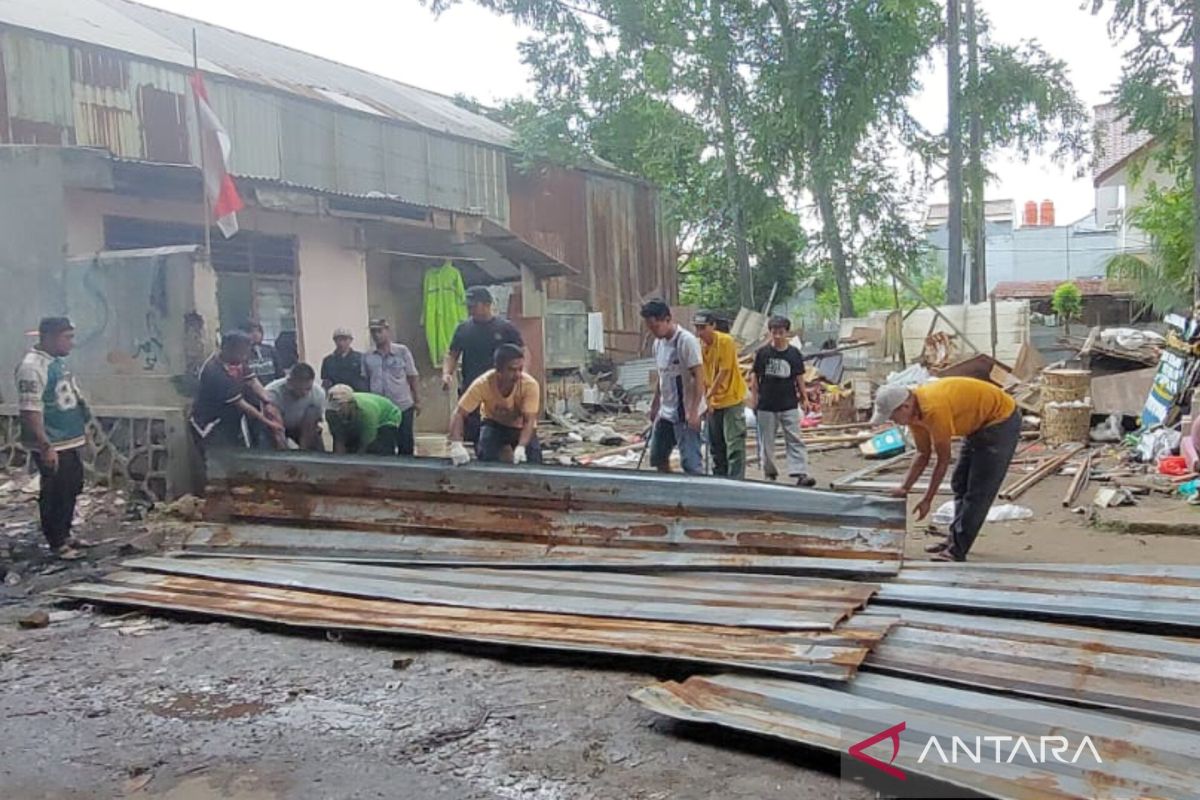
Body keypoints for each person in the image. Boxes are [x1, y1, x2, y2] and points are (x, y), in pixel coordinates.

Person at [871, 377, 1021, 562]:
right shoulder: (914, 416)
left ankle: (957, 550)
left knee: (978, 491)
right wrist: (905, 487)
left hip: (1001, 421)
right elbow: (922, 454)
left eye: (893, 417)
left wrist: (927, 499)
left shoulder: (933, 409)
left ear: (905, 407)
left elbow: (943, 460)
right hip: (978, 423)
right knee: (960, 483)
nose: (893, 421)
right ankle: (954, 539)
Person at [15, 317, 90, 560]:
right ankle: (56, 540)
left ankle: (66, 532)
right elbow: (30, 410)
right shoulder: (32, 367)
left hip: (69, 438)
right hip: (52, 441)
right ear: (49, 337)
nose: (71, 343)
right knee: (55, 490)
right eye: (66, 337)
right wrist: (45, 445)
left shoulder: (57, 362)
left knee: (72, 485)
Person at [441, 286, 524, 444]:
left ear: (487, 304)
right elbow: (452, 354)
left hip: (500, 390)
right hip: (472, 388)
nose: (470, 308)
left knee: (500, 433)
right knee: (473, 432)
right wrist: (447, 373)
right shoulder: (463, 329)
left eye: (474, 304)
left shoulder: (505, 328)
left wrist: (521, 376)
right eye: (468, 305)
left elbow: (523, 352)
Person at [448, 344, 541, 466]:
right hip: (494, 423)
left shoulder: (530, 385)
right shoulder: (482, 384)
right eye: (512, 370)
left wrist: (521, 447)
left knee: (534, 458)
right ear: (498, 370)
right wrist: (456, 444)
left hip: (521, 426)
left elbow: (529, 421)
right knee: (485, 453)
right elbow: (459, 413)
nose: (517, 374)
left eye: (520, 369)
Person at [749, 316, 815, 487]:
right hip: (767, 404)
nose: (777, 336)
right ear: (769, 333)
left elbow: (799, 378)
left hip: (789, 403)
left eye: (780, 332)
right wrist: (754, 399)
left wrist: (804, 399)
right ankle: (770, 473)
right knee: (767, 442)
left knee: (794, 438)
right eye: (774, 332)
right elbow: (755, 378)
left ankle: (800, 472)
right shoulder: (763, 353)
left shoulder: (794, 354)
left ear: (787, 333)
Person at [642, 300, 705, 475]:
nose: (653, 331)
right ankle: (669, 489)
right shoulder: (658, 344)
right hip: (666, 411)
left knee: (691, 463)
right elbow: (662, 377)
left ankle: (695, 494)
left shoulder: (686, 341)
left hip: (685, 411)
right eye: (649, 327)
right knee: (657, 457)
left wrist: (694, 412)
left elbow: (699, 377)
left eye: (655, 327)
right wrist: (655, 405)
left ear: (667, 319)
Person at [190, 331, 283, 451]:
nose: (245, 357)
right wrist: (269, 423)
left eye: (246, 353)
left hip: (230, 419)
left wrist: (268, 402)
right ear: (227, 350)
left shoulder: (237, 361)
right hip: (210, 424)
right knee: (219, 460)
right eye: (242, 353)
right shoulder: (214, 372)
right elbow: (242, 405)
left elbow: (253, 381)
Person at [693, 311, 748, 479]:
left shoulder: (725, 341)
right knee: (716, 444)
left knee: (734, 443)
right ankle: (720, 477)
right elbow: (699, 373)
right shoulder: (698, 345)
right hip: (713, 400)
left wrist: (708, 397)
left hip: (731, 398)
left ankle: (736, 479)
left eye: (703, 328)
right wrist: (705, 400)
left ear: (713, 326)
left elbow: (724, 371)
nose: (700, 332)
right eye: (697, 328)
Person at [362, 319, 421, 456]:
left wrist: (417, 400)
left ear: (387, 331)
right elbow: (365, 380)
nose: (376, 335)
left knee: (405, 443)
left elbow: (412, 376)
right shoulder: (367, 356)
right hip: (380, 409)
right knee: (384, 445)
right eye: (373, 332)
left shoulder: (402, 351)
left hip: (402, 404)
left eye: (379, 331)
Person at [325, 385, 403, 455]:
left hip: (388, 417)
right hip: (359, 418)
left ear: (351, 404)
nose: (336, 410)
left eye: (339, 405)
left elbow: (365, 444)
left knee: (378, 449)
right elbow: (339, 440)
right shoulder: (330, 413)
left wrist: (356, 462)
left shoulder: (367, 413)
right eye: (333, 405)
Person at [264, 363, 326, 451]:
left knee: (313, 413)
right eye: (300, 389)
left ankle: (307, 453)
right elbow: (275, 426)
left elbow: (317, 422)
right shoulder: (272, 392)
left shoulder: (318, 393)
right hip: (276, 425)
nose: (304, 393)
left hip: (303, 426)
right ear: (289, 382)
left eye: (308, 389)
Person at [320, 327, 367, 392]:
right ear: (334, 341)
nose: (341, 343)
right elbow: (326, 382)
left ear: (350, 340)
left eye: (345, 339)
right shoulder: (328, 361)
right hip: (336, 396)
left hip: (356, 395)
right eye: (339, 339)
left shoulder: (360, 358)